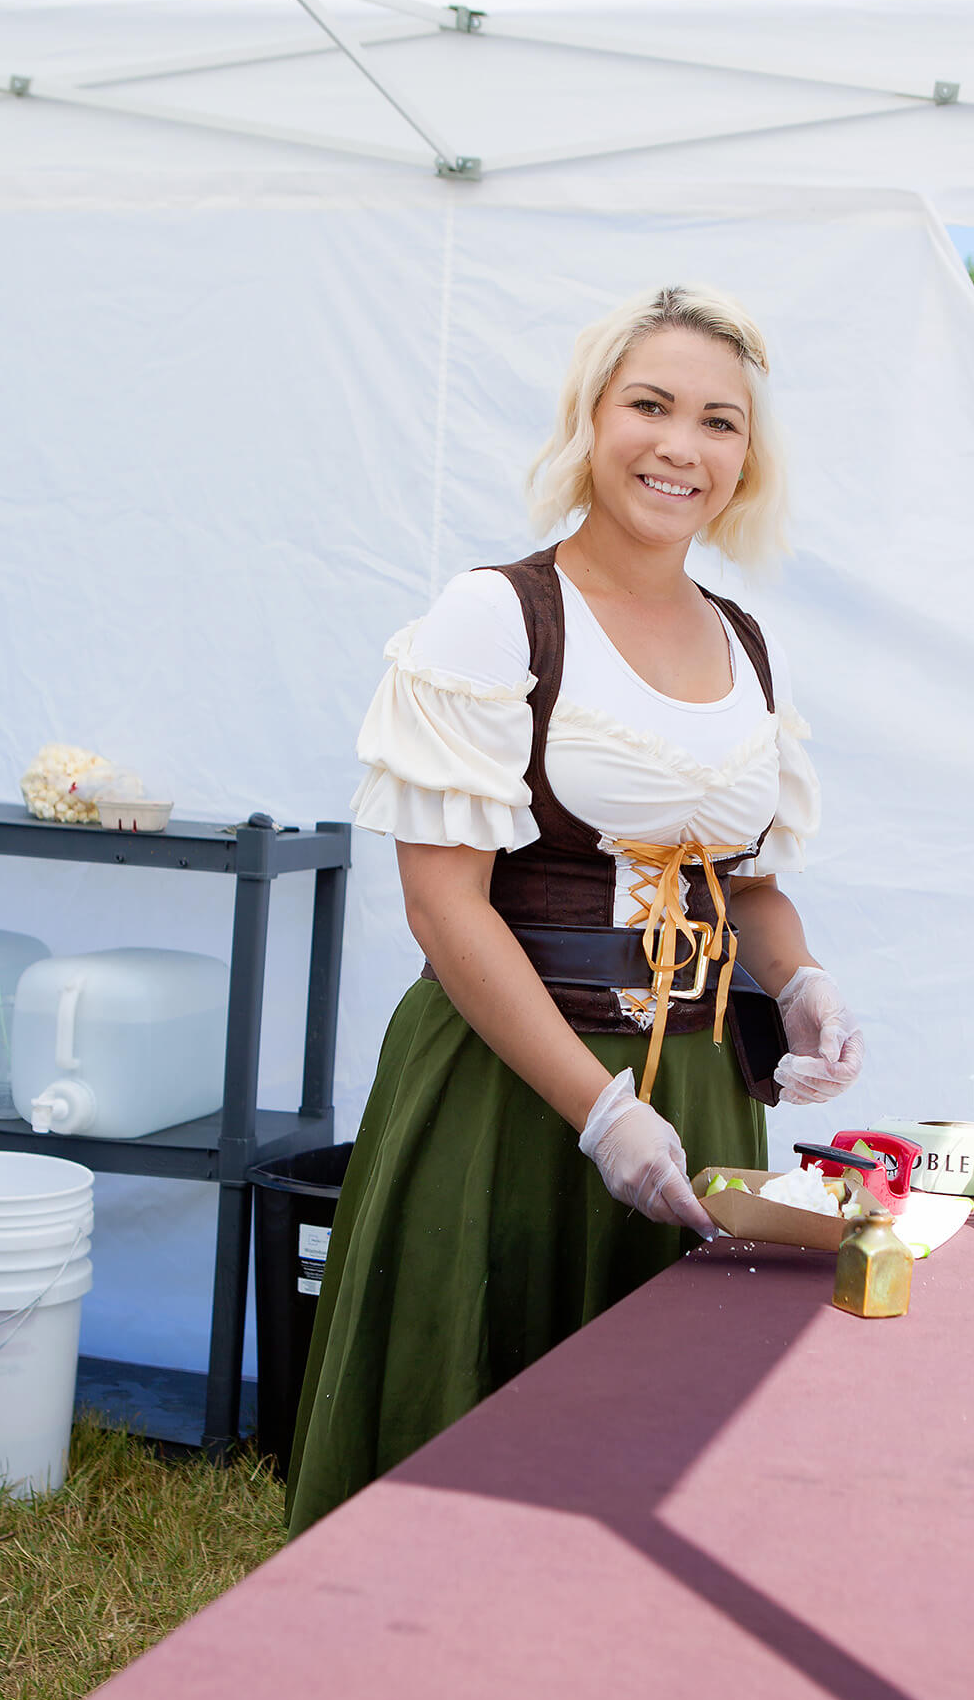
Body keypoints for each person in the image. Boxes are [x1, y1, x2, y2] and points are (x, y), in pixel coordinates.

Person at [286, 284, 863, 1536]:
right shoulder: (497, 615)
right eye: (647, 405)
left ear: (746, 457)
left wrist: (804, 983)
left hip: (701, 1086)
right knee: (471, 1449)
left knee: (656, 1450)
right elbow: (446, 909)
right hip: (513, 1087)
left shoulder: (744, 640)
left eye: (718, 421)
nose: (679, 446)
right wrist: (598, 1110)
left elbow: (746, 879)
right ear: (589, 420)